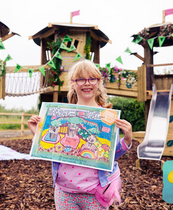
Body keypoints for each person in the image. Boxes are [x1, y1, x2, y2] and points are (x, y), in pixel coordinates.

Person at [28, 59, 133, 210]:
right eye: (81, 79)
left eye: (92, 79)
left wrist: (127, 139)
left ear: (98, 82)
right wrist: (37, 132)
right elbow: (50, 147)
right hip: (65, 191)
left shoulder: (107, 118)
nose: (87, 83)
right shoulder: (61, 115)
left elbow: (110, 156)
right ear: (72, 83)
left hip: (94, 191)